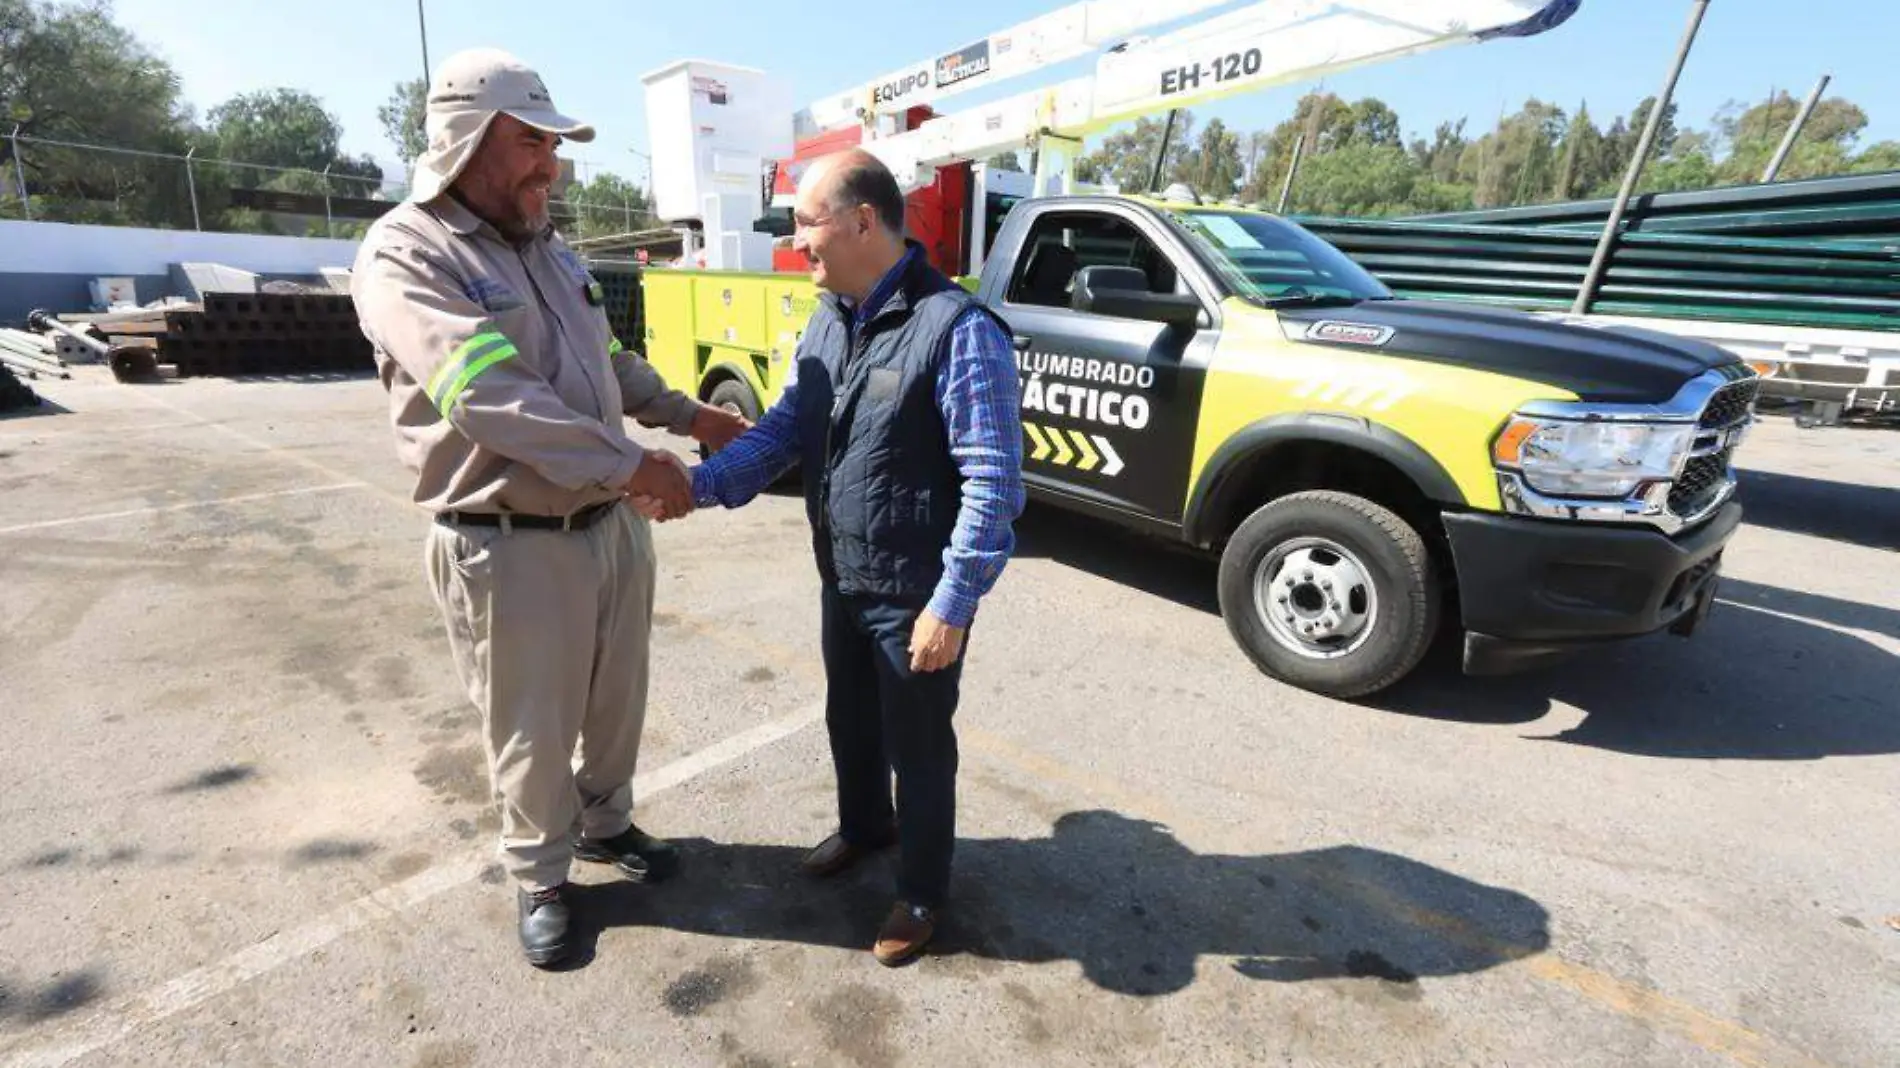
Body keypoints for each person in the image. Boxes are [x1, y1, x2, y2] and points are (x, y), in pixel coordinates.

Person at [349, 47, 749, 968]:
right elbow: (490, 396)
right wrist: (634, 464)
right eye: (530, 141)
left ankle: (607, 825)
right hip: (510, 542)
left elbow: (604, 367)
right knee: (532, 724)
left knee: (616, 701)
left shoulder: (550, 250)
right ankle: (540, 874)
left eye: (552, 144)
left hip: (605, 526)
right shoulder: (409, 253)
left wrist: (691, 416)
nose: (551, 164)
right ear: (464, 140)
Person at [684, 148, 1026, 966]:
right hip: (843, 571)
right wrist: (696, 487)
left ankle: (920, 890)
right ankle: (866, 829)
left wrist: (954, 602)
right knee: (852, 722)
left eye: (805, 222)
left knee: (920, 747)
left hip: (914, 591)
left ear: (862, 221)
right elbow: (780, 431)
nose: (795, 240)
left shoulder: (958, 330)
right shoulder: (829, 317)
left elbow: (993, 480)